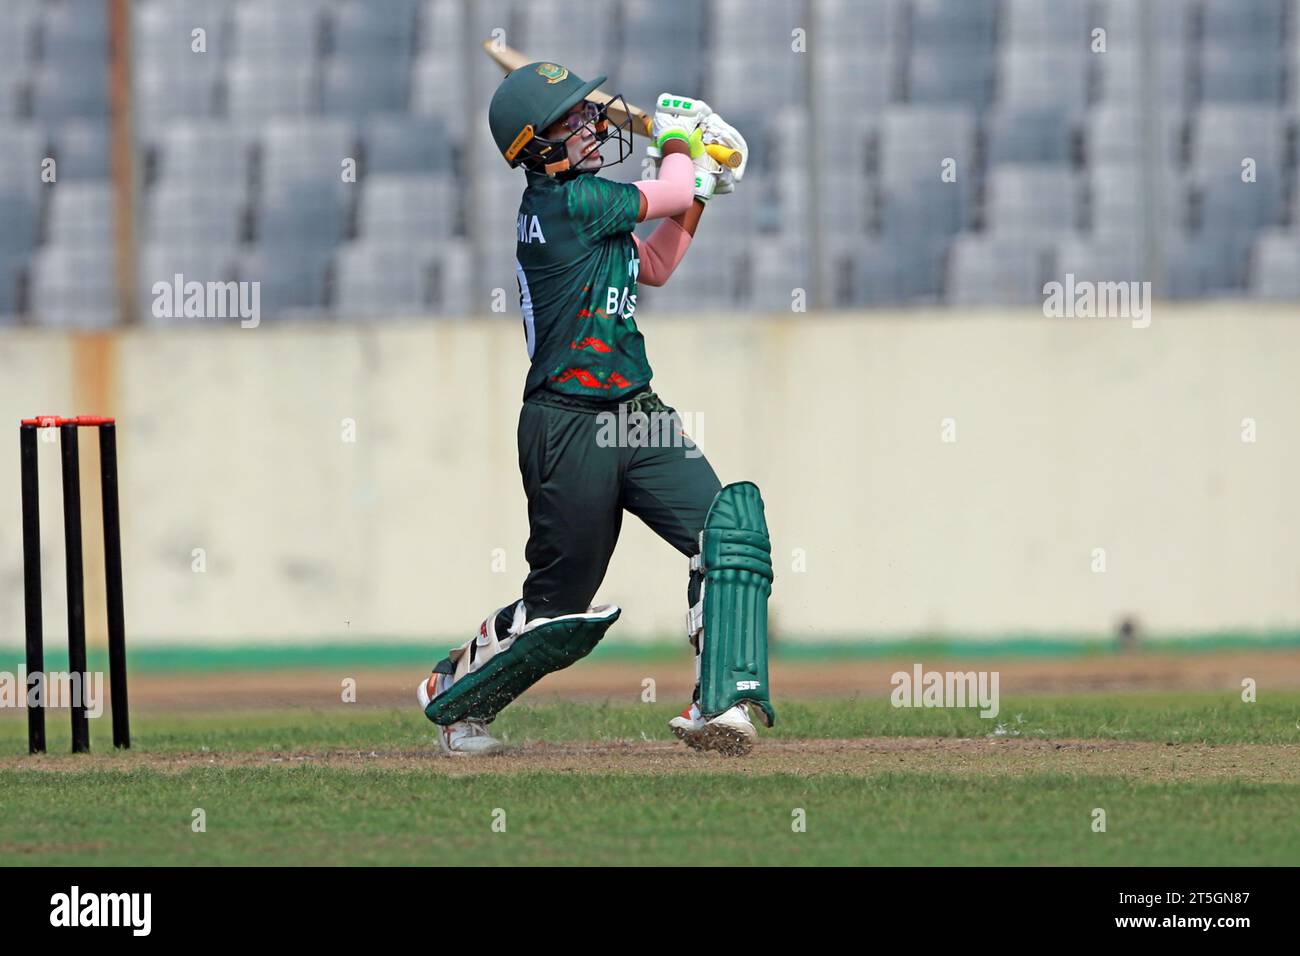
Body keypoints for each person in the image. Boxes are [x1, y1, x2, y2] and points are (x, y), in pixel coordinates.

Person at [417, 61, 774, 756]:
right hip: (567, 423)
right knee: (558, 612)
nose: (591, 124)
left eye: (587, 111)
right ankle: (454, 695)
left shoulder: (590, 201)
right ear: (536, 148)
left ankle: (720, 706)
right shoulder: (566, 207)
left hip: (634, 410)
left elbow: (660, 262)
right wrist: (684, 149)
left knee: (729, 535)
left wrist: (697, 186)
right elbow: (669, 189)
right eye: (572, 120)